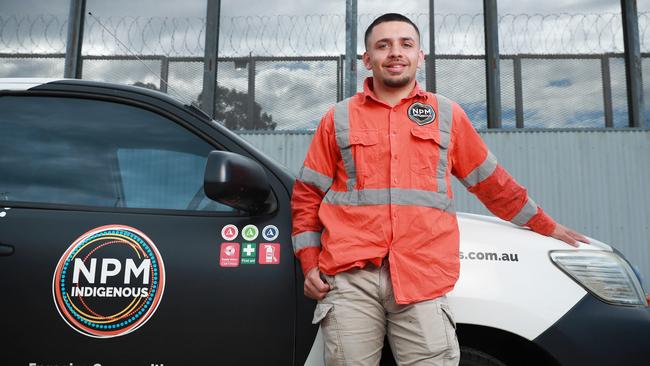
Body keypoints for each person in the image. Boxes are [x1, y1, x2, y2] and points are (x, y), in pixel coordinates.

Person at [291, 13, 589, 366]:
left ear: (421, 56)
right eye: (383, 45)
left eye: (406, 44)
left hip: (422, 277)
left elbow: (491, 182)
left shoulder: (447, 115)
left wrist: (545, 225)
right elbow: (307, 195)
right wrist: (309, 264)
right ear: (367, 60)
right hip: (351, 278)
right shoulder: (337, 119)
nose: (395, 53)